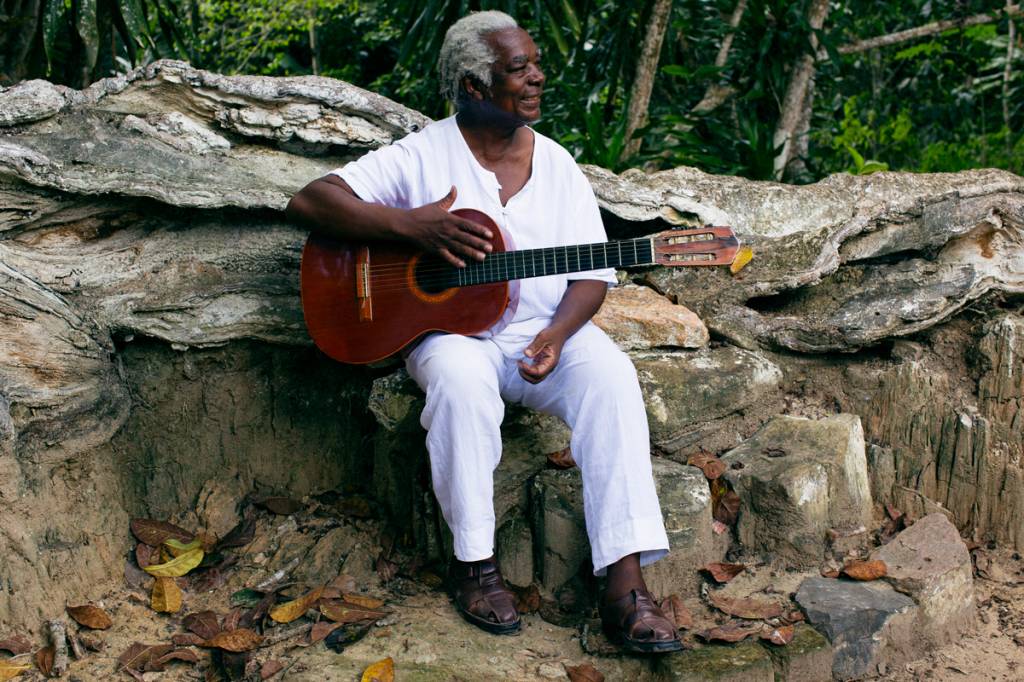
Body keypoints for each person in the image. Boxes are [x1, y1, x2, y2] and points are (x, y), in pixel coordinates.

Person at [286, 11, 682, 653]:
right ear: (474, 87)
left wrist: (557, 334)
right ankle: (475, 565)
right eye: (518, 70)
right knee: (461, 385)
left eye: (535, 64)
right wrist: (414, 229)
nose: (537, 78)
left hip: (542, 331)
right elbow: (311, 200)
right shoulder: (422, 154)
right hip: (452, 337)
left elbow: (591, 274)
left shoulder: (556, 165)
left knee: (611, 376)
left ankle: (626, 584)